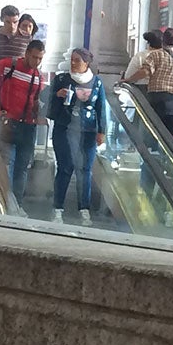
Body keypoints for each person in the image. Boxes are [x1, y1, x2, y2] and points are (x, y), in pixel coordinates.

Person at [46, 47, 107, 225]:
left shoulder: (96, 82)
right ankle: (57, 209)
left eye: (77, 60)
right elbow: (45, 96)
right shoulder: (61, 79)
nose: (73, 63)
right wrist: (57, 95)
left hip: (87, 131)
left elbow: (101, 107)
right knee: (65, 167)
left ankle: (84, 209)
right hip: (64, 129)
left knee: (85, 170)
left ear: (86, 63)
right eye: (72, 59)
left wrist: (101, 131)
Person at [0, 38, 49, 207]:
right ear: (27, 53)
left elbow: (36, 100)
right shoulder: (8, 65)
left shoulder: (38, 77)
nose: (37, 61)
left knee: (22, 166)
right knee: (8, 162)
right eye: (34, 57)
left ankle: (16, 203)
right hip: (6, 120)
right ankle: (5, 202)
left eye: (40, 58)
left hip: (28, 124)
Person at [123, 28, 173, 145]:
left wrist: (128, 80)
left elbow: (145, 72)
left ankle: (153, 160)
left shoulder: (155, 55)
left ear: (163, 41)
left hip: (158, 103)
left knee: (153, 136)